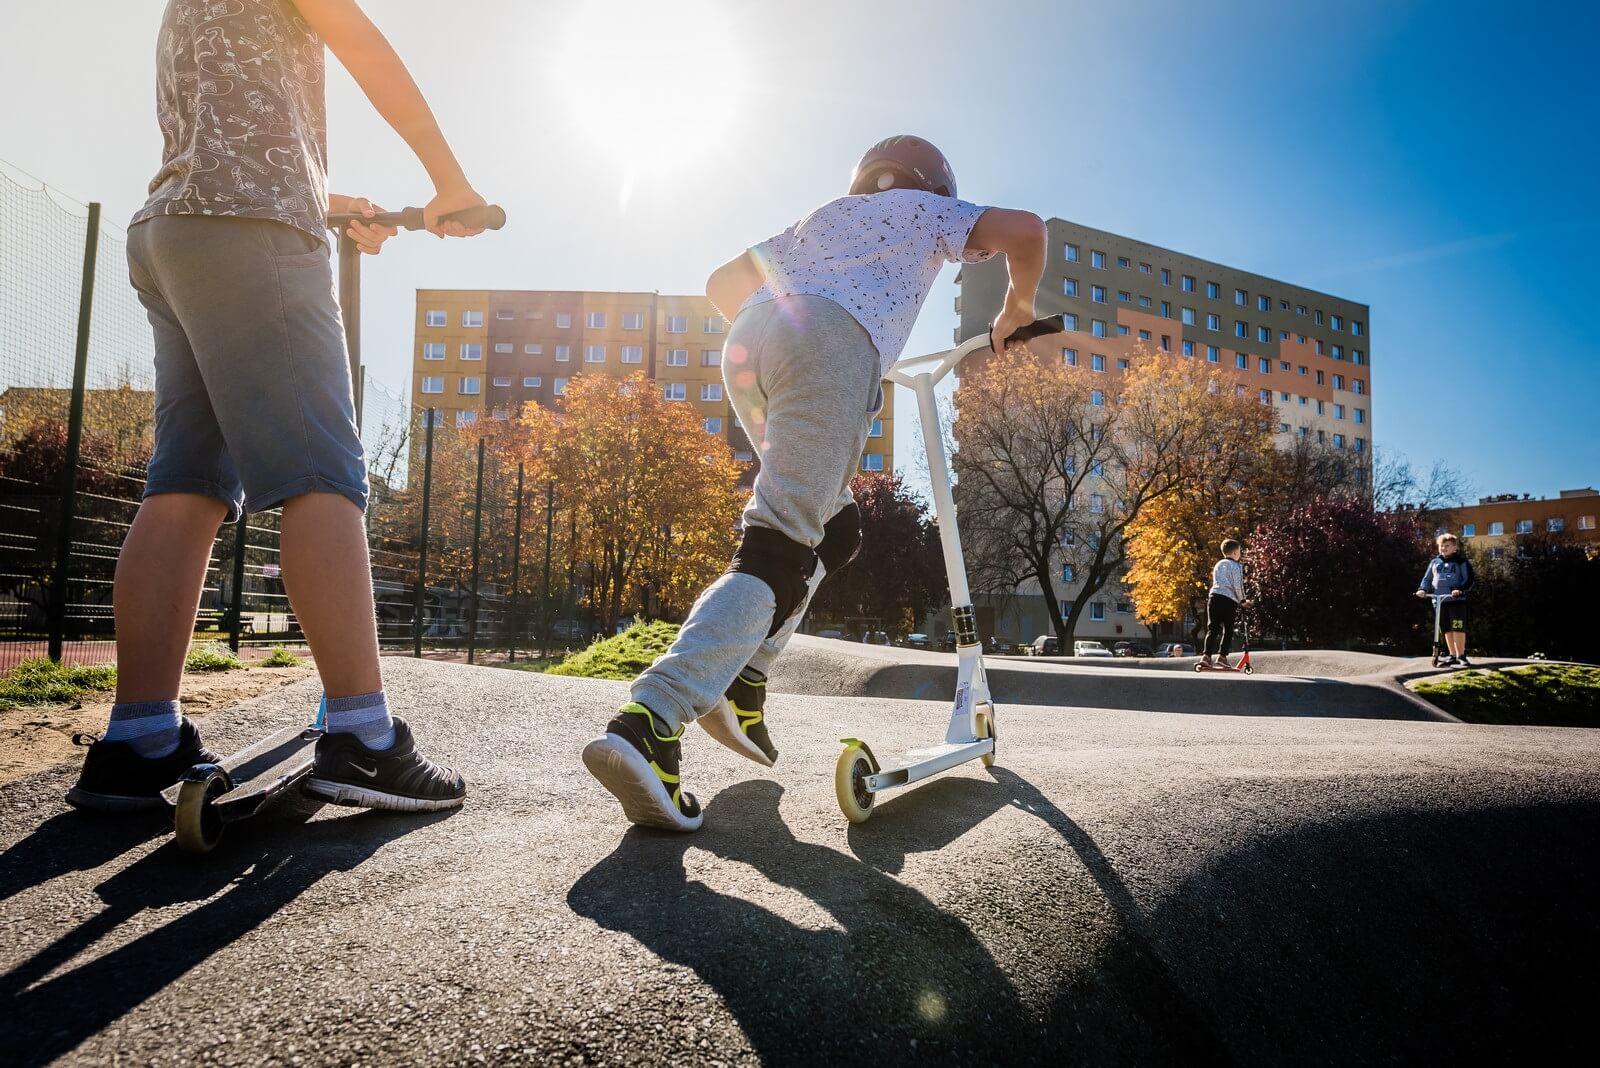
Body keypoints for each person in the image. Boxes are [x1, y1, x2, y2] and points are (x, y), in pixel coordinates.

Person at [67, 0, 491, 813]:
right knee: (320, 474)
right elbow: (362, 40)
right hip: (251, 220)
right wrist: (449, 181)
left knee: (185, 482)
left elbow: (234, 118)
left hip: (172, 229)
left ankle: (139, 738)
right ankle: (365, 738)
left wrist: (329, 202)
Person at [583, 135, 1048, 831]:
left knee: (836, 527)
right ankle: (655, 718)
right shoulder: (926, 210)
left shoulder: (822, 216)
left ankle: (746, 674)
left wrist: (792, 333)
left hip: (750, 340)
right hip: (827, 345)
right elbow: (1026, 232)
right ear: (932, 187)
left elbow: (720, 284)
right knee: (778, 541)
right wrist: (1016, 309)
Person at [1416, 532, 1475, 667]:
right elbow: (1427, 578)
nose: (1443, 548)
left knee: (1458, 627)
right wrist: (1422, 590)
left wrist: (1460, 589)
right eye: (1441, 546)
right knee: (1446, 629)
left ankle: (1461, 655)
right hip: (1440, 601)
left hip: (1456, 600)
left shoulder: (1461, 561)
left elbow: (1469, 579)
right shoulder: (1435, 562)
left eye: (1447, 546)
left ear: (1454, 547)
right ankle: (1452, 655)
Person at [1201, 538, 1247, 668]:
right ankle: (1222, 656)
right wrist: (1243, 601)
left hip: (1214, 598)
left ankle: (1206, 656)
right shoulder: (1236, 566)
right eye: (1239, 551)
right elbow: (1238, 586)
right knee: (1228, 630)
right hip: (1228, 600)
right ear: (1234, 553)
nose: (1240, 553)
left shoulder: (1218, 564)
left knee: (1213, 629)